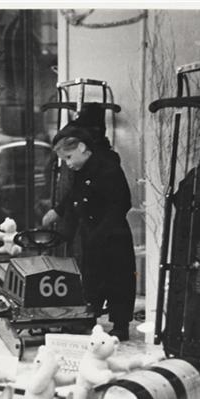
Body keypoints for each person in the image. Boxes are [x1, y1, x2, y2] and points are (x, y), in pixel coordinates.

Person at [42, 123, 136, 341]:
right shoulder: (81, 170)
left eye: (68, 157)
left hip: (113, 236)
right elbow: (73, 196)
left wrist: (101, 233)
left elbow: (121, 203)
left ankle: (120, 325)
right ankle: (88, 318)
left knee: (118, 280)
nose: (68, 164)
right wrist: (58, 211)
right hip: (90, 234)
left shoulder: (108, 169)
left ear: (82, 147)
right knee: (91, 278)